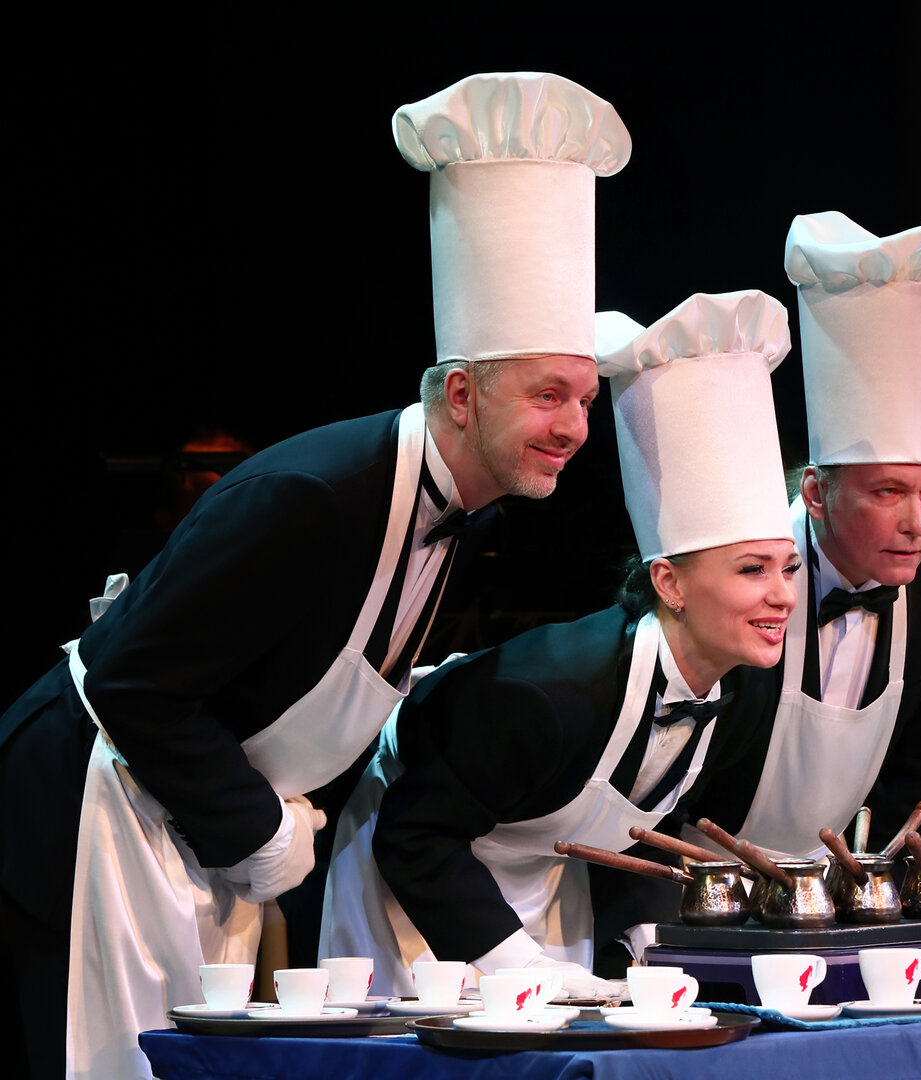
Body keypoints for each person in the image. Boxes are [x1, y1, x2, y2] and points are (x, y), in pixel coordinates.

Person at [0, 70, 629, 1080]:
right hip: (98, 804)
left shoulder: (457, 516)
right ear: (461, 394)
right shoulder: (312, 494)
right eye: (548, 394)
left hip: (187, 830)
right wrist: (257, 827)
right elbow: (132, 681)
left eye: (586, 401)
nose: (574, 429)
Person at [320, 290, 797, 997]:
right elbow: (415, 837)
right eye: (752, 570)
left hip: (545, 876)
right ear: (668, 583)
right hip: (420, 884)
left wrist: (648, 940)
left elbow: (655, 834)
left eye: (789, 568)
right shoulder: (547, 695)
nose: (783, 596)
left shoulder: (743, 686)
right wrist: (519, 967)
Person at [681, 213, 921, 859]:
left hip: (826, 885)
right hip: (697, 870)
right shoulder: (738, 571)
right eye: (887, 492)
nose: (916, 523)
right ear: (816, 494)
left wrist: (917, 896)